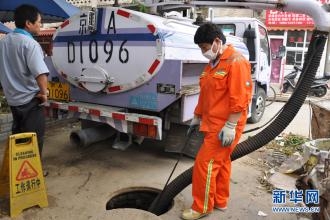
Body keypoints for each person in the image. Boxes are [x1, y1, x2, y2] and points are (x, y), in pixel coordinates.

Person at [182, 23, 253, 220]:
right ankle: (220, 200)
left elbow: (240, 98)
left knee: (205, 164)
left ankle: (202, 206)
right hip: (211, 123)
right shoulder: (212, 65)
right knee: (221, 163)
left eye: (204, 47)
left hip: (225, 126)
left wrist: (230, 126)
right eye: (201, 48)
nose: (203, 52)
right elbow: (205, 96)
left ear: (217, 41)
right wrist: (196, 117)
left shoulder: (236, 62)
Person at [0, 5, 49, 160]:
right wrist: (44, 93)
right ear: (28, 23)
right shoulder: (30, 44)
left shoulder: (4, 41)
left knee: (19, 139)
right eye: (39, 22)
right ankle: (34, 175)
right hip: (30, 101)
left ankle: (18, 174)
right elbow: (40, 73)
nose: (40, 25)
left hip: (13, 100)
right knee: (34, 140)